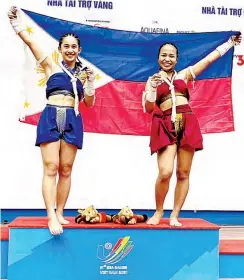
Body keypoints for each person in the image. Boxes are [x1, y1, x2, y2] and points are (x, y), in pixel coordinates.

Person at [8, 6, 96, 235]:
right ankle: (50, 217)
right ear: (59, 49)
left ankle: (60, 212)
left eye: (73, 46)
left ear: (79, 50)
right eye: (65, 46)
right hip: (51, 115)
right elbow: (31, 42)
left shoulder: (84, 72)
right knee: (51, 167)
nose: (69, 49)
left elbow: (89, 103)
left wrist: (90, 84)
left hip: (72, 118)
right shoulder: (50, 65)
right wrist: (16, 23)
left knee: (66, 169)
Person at [143, 34, 241, 226]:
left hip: (187, 122)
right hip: (165, 124)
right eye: (164, 55)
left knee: (183, 173)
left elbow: (209, 59)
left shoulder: (185, 75)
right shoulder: (152, 80)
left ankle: (174, 215)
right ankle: (159, 211)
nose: (167, 59)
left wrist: (229, 43)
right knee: (165, 172)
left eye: (171, 56)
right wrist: (153, 88)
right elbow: (148, 108)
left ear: (176, 59)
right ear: (158, 58)